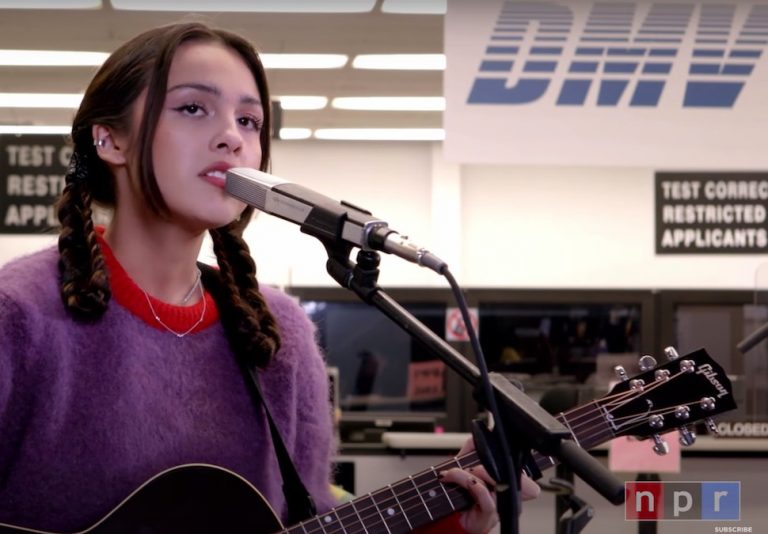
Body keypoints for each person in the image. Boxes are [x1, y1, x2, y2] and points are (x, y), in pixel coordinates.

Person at [0, 21, 538, 533]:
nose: (231, 137)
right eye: (193, 108)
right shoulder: (18, 314)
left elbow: (312, 518)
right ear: (110, 141)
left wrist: (444, 517)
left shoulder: (275, 330)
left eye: (250, 121)